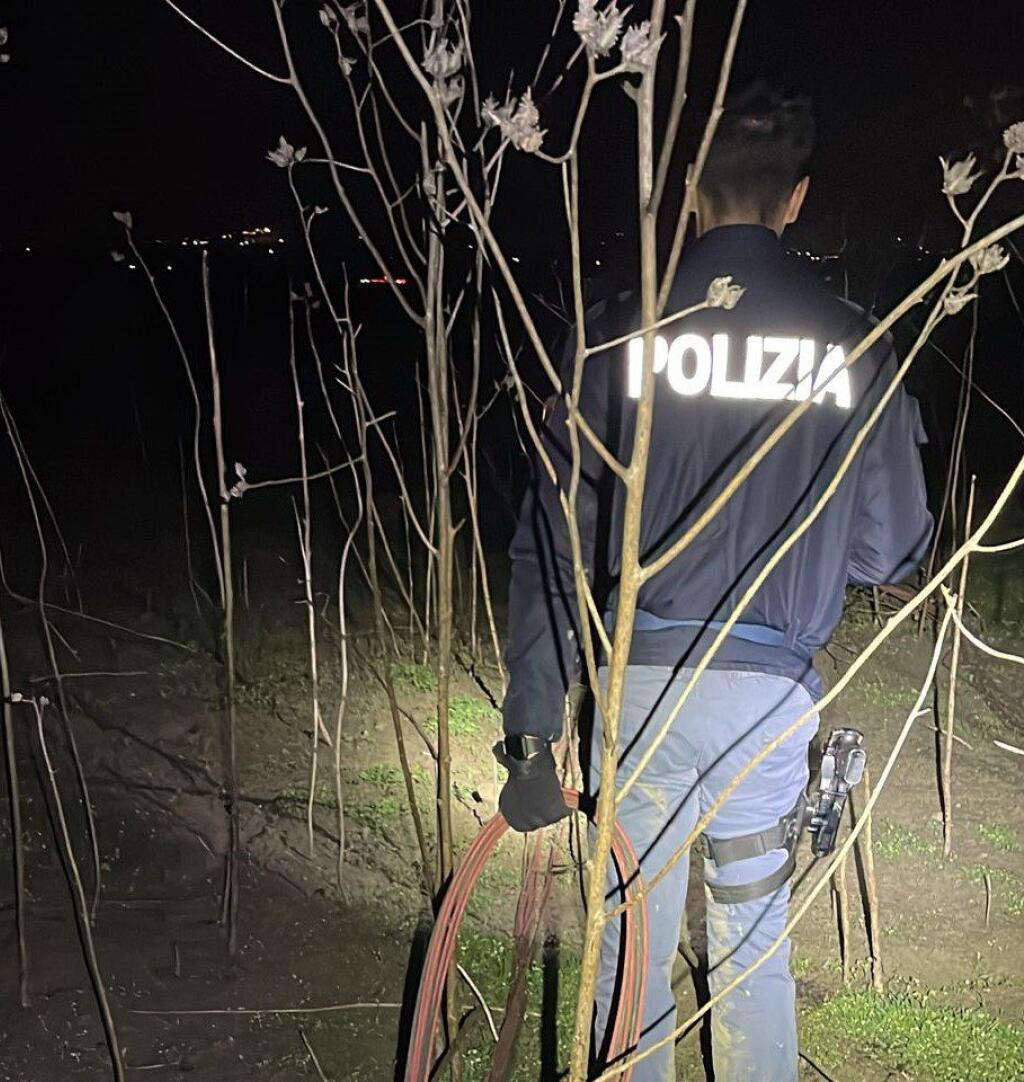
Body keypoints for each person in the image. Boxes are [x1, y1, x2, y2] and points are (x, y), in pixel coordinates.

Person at [494, 82, 933, 1081]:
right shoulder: (854, 339)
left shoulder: (615, 332)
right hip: (765, 704)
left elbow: (550, 543)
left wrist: (530, 727)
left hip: (637, 691)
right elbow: (891, 550)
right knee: (750, 952)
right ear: (798, 198)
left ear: (687, 194)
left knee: (631, 950)